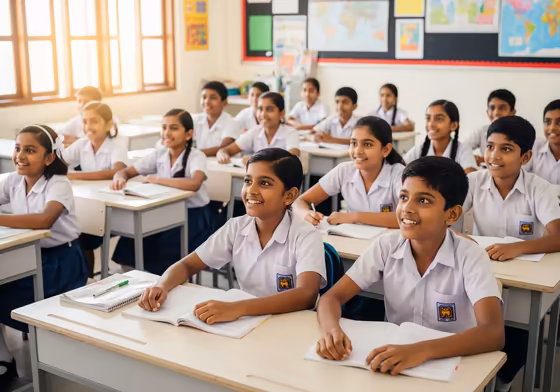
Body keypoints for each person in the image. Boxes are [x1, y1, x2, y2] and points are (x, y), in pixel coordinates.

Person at [315, 156, 504, 377]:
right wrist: (331, 331)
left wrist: (422, 351)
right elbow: (331, 298)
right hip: (394, 360)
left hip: (453, 364)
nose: (407, 208)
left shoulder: (470, 256)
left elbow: (493, 332)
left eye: (423, 200)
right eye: (404, 197)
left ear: (451, 214)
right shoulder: (386, 246)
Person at [138, 148, 326, 324]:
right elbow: (187, 265)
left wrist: (239, 308)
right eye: (247, 181)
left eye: (265, 183)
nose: (251, 190)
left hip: (292, 324)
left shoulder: (306, 235)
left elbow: (306, 295)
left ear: (289, 195)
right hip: (249, 322)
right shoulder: (236, 227)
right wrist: (162, 285)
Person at [0, 125, 87, 387]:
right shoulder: (14, 180)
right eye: (17, 149)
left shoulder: (58, 183)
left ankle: (46, 361)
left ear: (49, 157)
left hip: (61, 264)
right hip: (28, 256)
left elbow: (43, 221)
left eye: (30, 150)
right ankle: (5, 360)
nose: (20, 156)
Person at [111, 109, 213, 275]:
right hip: (164, 213)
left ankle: (161, 284)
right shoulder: (159, 154)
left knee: (162, 246)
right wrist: (120, 178)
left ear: (188, 134)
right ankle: (136, 281)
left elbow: (194, 184)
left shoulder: (196, 156)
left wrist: (157, 180)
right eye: (164, 127)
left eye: (173, 128)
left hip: (193, 218)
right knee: (132, 237)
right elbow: (126, 171)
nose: (167, 133)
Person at [462, 115, 560, 260]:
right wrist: (456, 236)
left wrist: (517, 247)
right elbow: (442, 219)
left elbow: (557, 237)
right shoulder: (472, 182)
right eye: (490, 147)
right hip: (481, 263)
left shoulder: (540, 189)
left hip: (525, 270)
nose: (494, 156)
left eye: (506, 149)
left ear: (525, 158)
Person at [296, 116, 404, 228]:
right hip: (352, 240)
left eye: (367, 144)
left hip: (389, 242)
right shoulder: (344, 170)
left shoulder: (398, 174)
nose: (358, 151)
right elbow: (301, 201)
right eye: (354, 143)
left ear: (385, 150)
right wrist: (306, 213)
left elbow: (406, 217)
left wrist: (354, 217)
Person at [217, 92, 300, 165]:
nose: (263, 114)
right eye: (260, 109)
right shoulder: (255, 132)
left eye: (269, 109)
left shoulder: (290, 133)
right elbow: (226, 150)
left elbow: (291, 158)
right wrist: (222, 154)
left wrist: (257, 160)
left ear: (281, 113)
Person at [404, 100, 477, 173]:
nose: (431, 124)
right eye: (428, 118)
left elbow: (471, 176)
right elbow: (400, 169)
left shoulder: (463, 150)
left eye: (439, 119)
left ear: (453, 125)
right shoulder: (419, 150)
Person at [465, 89, 516, 166]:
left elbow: (516, 160)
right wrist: (471, 159)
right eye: (492, 108)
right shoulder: (482, 131)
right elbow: (461, 149)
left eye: (502, 108)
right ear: (487, 112)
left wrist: (481, 159)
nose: (496, 112)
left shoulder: (521, 133)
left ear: (513, 112)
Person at [192, 81, 240, 156]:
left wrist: (194, 154)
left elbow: (224, 147)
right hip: (200, 162)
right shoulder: (195, 119)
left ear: (224, 102)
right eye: (204, 97)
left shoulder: (231, 122)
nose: (206, 102)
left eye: (213, 98)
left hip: (222, 164)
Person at [524, 99, 560, 189]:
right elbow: (520, 177)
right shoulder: (535, 146)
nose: (552, 128)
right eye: (547, 122)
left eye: (559, 122)